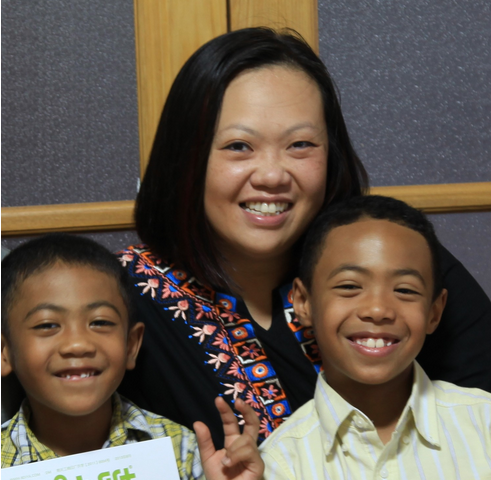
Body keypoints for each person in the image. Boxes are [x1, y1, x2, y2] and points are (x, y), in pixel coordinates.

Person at [117, 27, 491, 448]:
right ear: (186, 157)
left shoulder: (395, 261)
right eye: (238, 146)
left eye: (300, 144)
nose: (272, 175)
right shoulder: (113, 302)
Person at [260, 195, 491, 478]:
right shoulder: (278, 464)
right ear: (303, 303)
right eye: (349, 286)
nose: (378, 310)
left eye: (405, 290)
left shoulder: (484, 424)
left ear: (434, 312)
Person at [1, 234, 264, 480]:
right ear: (4, 353)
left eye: (100, 322)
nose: (78, 344)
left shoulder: (180, 451)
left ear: (131, 346)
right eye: (47, 325)